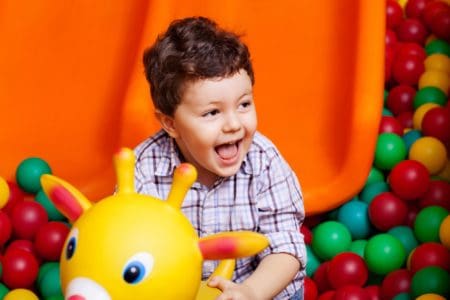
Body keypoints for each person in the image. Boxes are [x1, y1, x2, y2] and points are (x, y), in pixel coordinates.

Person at [134, 16, 306, 300]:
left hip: (261, 290)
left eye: (244, 104)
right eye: (212, 113)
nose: (234, 125)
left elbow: (286, 248)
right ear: (171, 124)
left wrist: (250, 292)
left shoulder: (263, 161)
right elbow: (129, 247)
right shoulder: (144, 170)